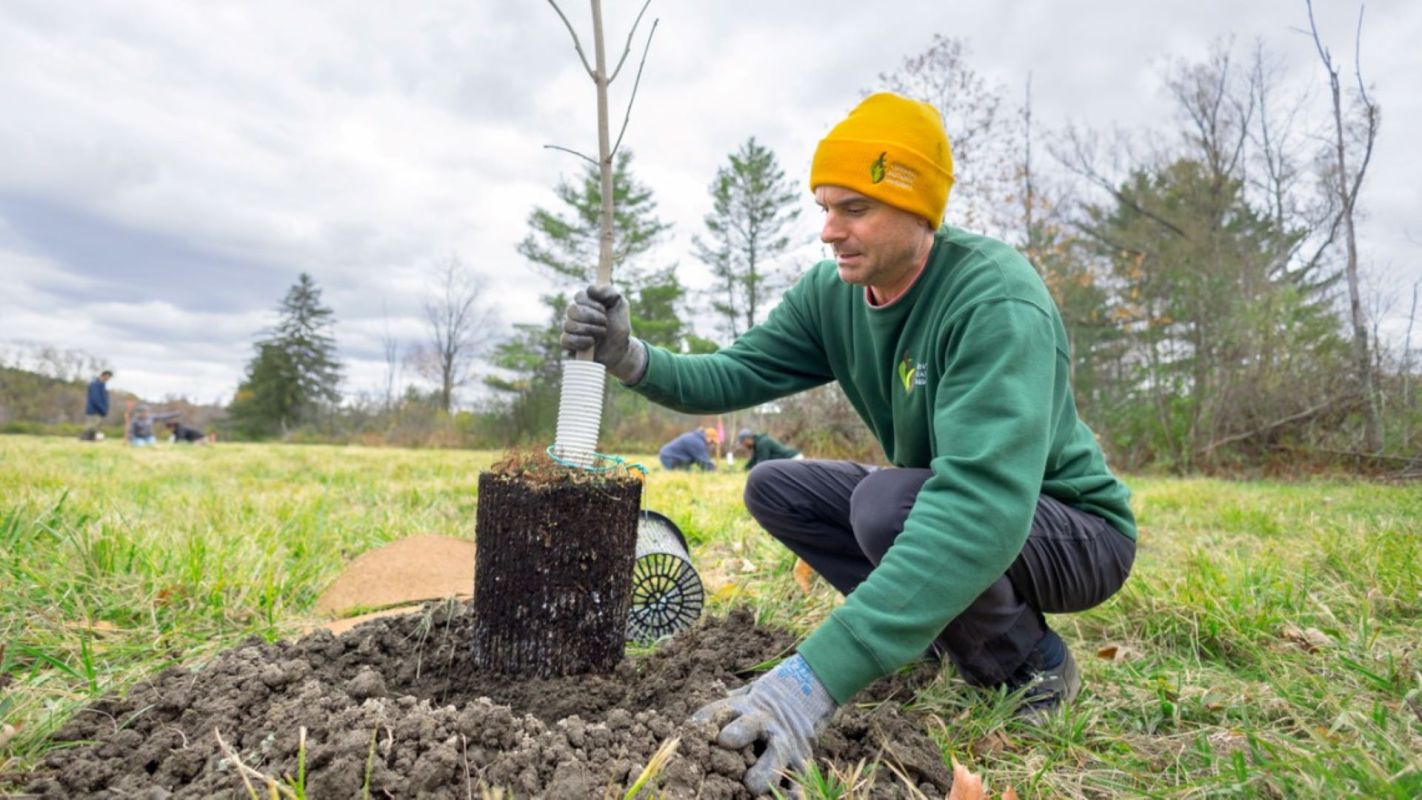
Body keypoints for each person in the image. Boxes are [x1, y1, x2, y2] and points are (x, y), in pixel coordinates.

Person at [562, 92, 1137, 795]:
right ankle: (928, 630)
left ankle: (1028, 664)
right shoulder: (832, 295)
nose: (829, 231)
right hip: (953, 501)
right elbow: (736, 371)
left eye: (855, 209)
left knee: (886, 507)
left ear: (919, 210)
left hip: (1072, 528)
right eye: (825, 208)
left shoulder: (993, 300)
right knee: (777, 487)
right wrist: (630, 359)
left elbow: (981, 506)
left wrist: (812, 680)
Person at [737, 428, 801, 470]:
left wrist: (752, 470)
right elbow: (753, 460)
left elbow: (762, 463)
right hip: (788, 462)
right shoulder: (757, 444)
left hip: (793, 460)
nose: (743, 445)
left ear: (747, 439)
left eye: (742, 443)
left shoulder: (763, 443)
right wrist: (744, 469)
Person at [81, 370, 113, 441]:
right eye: (108, 377)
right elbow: (95, 399)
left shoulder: (102, 385)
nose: (108, 379)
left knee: (95, 427)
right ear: (104, 375)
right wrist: (103, 409)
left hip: (98, 410)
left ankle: (91, 439)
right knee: (91, 427)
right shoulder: (95, 384)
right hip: (94, 410)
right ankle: (85, 439)